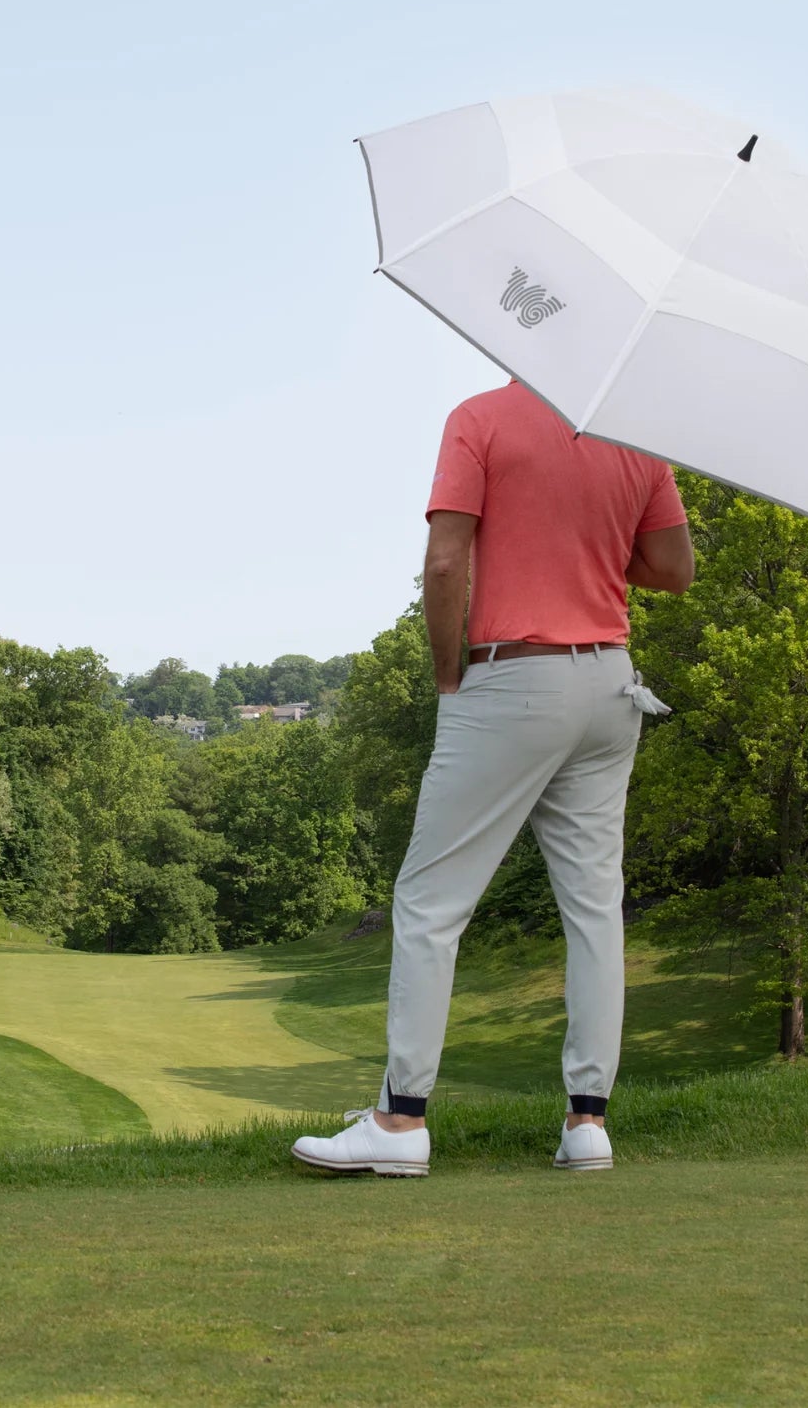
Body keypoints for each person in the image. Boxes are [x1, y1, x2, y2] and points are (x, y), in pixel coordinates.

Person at [291, 378, 693, 1177]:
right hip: (611, 682)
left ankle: (400, 1125)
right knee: (593, 907)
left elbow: (446, 562)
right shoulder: (635, 431)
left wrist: (450, 675)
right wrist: (595, 546)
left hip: (515, 677)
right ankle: (588, 1125)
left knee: (431, 901)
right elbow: (674, 570)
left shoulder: (479, 420)